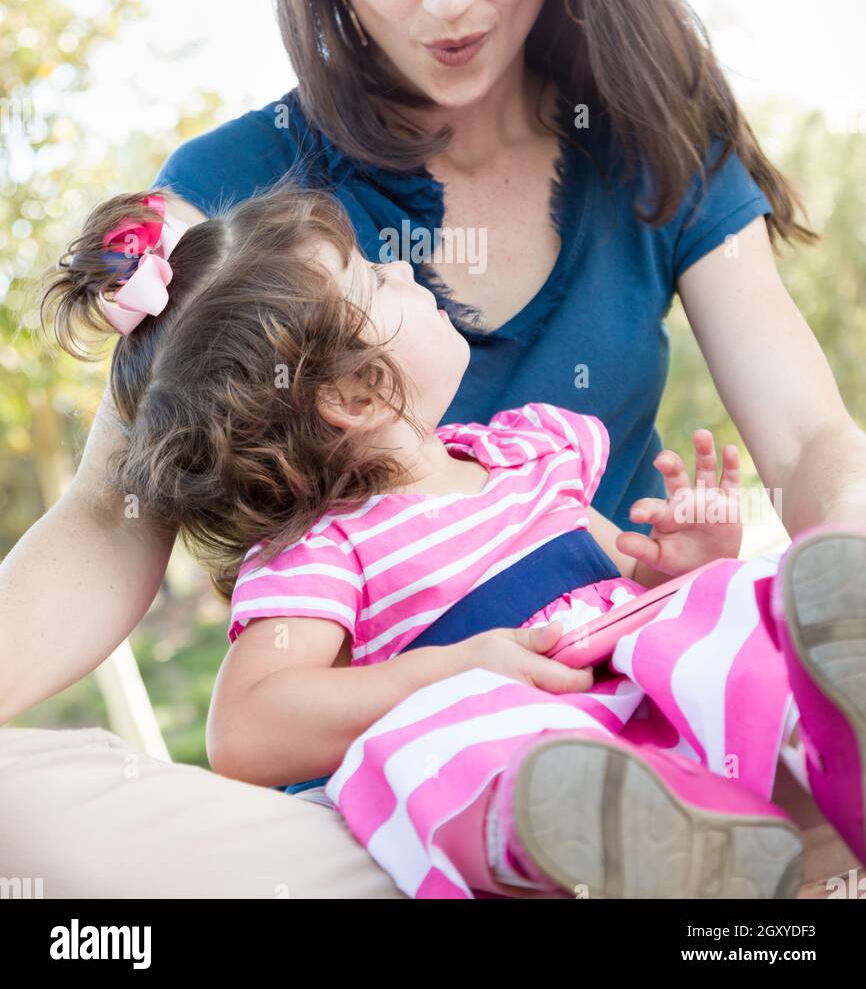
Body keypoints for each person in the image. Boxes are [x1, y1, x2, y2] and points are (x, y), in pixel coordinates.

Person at [1, 0, 865, 898]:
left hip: (628, 691)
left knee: (757, 641)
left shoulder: (649, 141)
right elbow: (108, 516)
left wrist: (817, 574)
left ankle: (757, 811)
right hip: (407, 780)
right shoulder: (243, 198)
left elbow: (810, 435)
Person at [38, 178, 859, 900]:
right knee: (443, 749)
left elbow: (627, 586)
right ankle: (648, 845)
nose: (403, 270)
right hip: (536, 741)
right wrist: (454, 669)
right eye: (373, 278)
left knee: (741, 601)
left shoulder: (529, 455)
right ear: (355, 394)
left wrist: (684, 567)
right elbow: (245, 728)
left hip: (646, 692)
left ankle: (828, 730)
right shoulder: (325, 550)